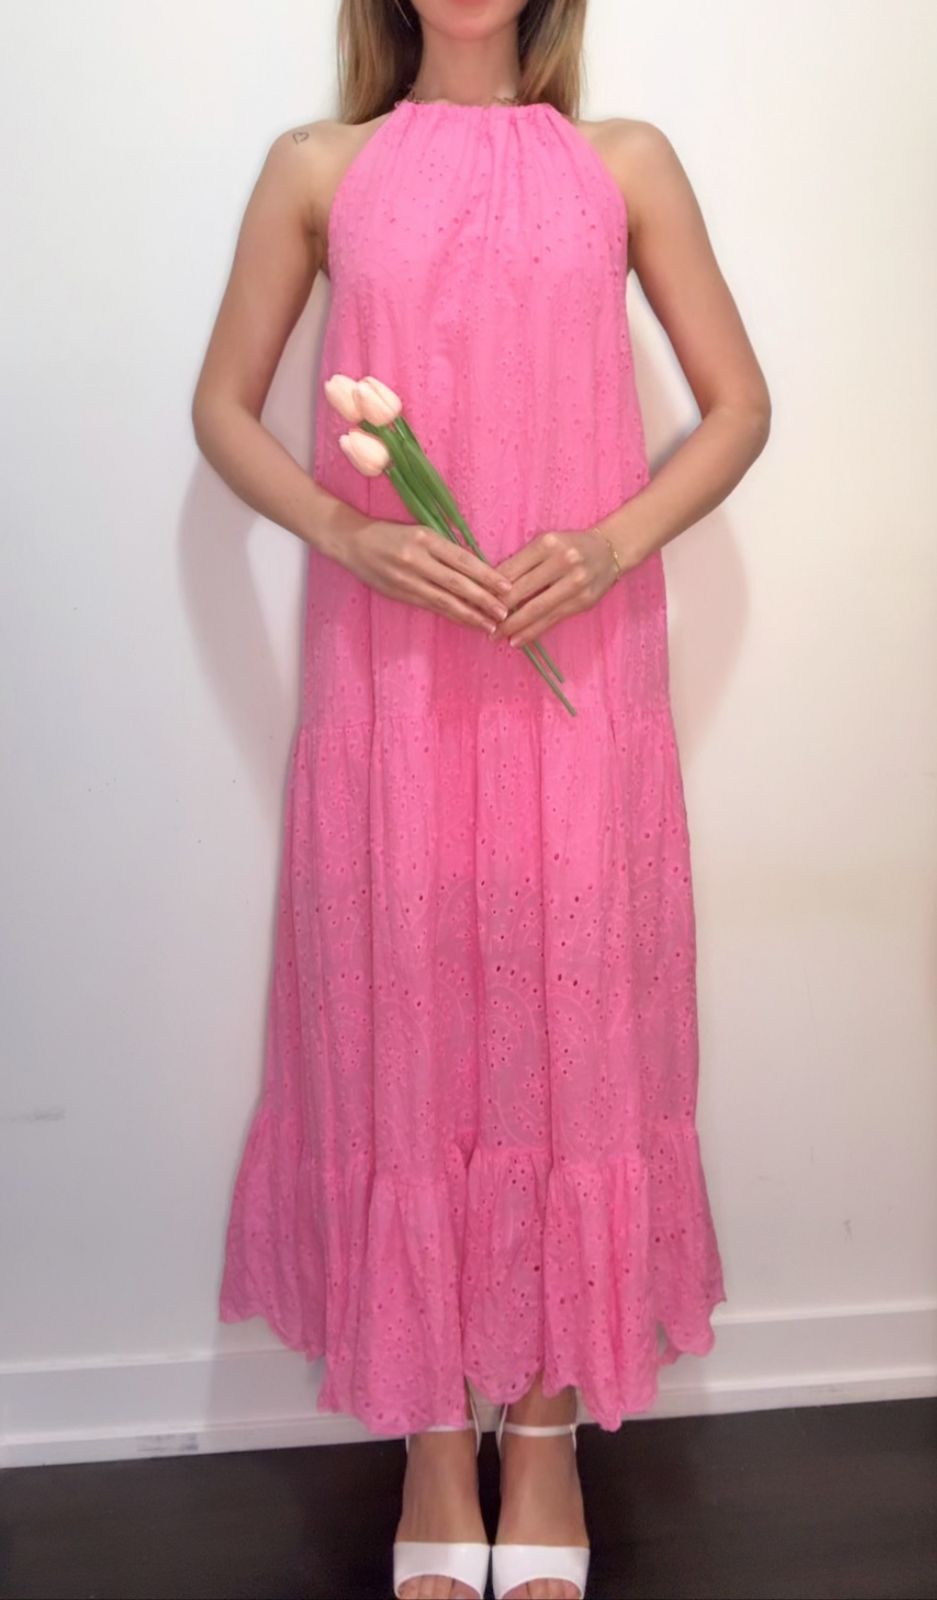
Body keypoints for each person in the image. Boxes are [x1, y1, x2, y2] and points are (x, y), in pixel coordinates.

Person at [191, 1, 771, 1596]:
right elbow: (225, 406)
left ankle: (544, 1430)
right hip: (390, 675)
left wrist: (609, 541)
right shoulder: (318, 166)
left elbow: (736, 405)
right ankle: (431, 1439)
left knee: (571, 1035)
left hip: (574, 664)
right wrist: (347, 528)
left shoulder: (623, 162)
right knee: (403, 1026)